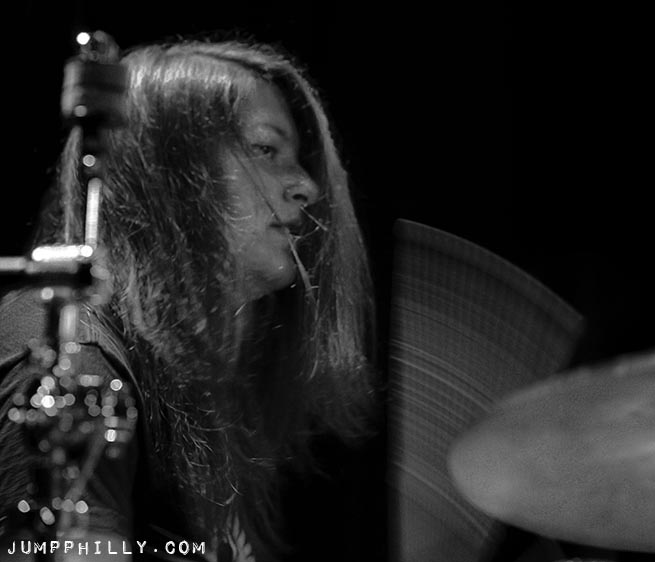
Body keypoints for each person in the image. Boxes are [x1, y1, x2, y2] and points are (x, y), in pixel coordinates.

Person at [0, 37, 380, 561]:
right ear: (169, 170)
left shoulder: (197, 385)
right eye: (265, 149)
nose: (306, 186)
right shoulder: (78, 361)